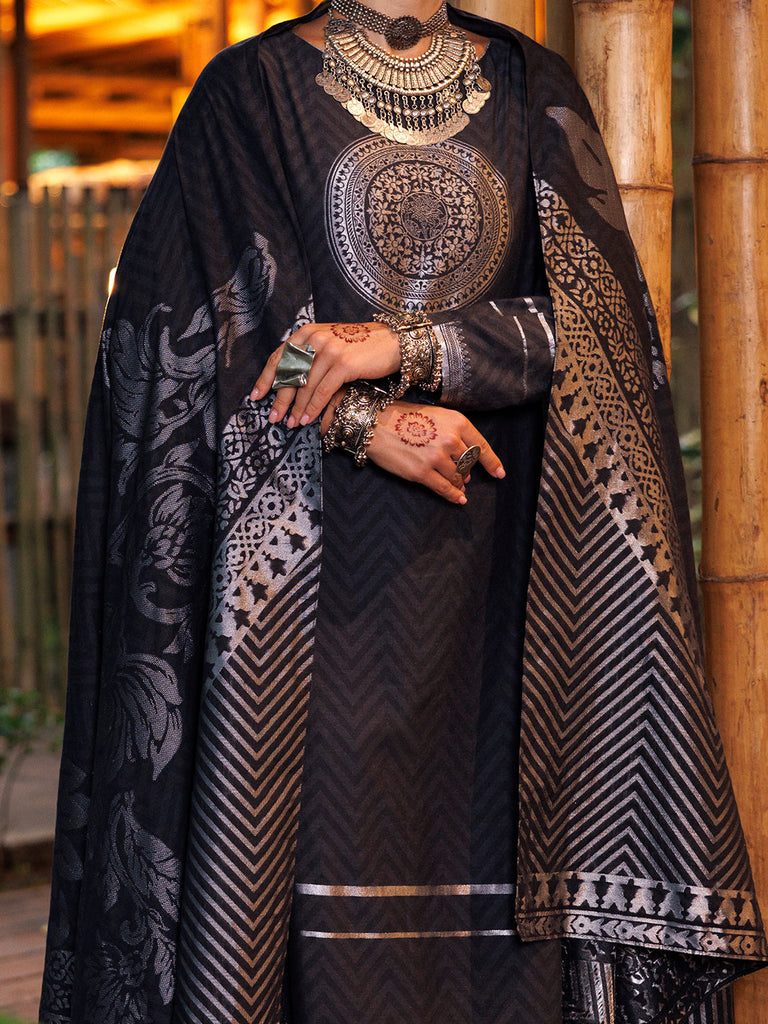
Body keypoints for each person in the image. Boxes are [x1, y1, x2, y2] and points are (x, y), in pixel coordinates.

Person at [38, 2, 766, 1022]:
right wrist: (362, 422)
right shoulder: (249, 94)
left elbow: (600, 329)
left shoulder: (532, 88)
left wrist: (411, 348)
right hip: (306, 594)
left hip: (507, 581)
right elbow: (194, 333)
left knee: (507, 929)